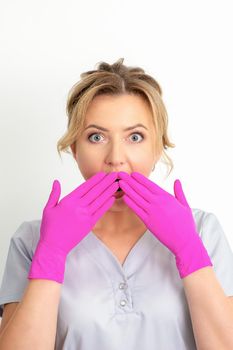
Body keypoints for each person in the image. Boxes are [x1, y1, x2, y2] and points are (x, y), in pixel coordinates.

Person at [0, 58, 233, 350]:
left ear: (157, 147)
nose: (116, 158)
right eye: (96, 137)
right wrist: (51, 254)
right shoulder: (32, 240)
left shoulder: (202, 230)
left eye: (135, 137)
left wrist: (190, 250)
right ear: (75, 149)